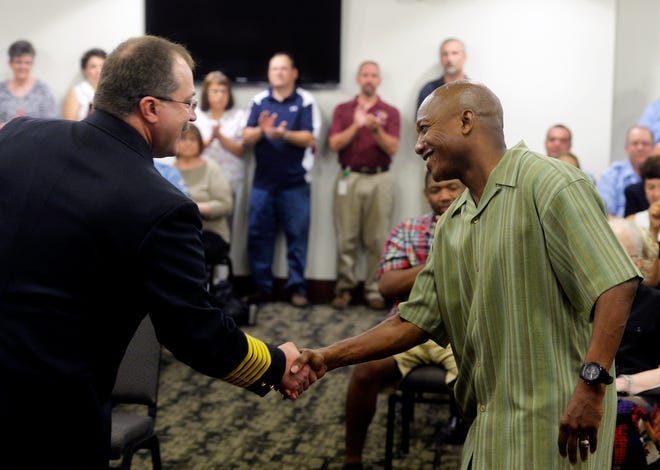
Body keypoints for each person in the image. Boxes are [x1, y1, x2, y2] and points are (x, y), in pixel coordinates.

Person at [292, 80, 641, 469]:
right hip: (490, 427)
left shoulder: (550, 183)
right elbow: (414, 320)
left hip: (559, 424)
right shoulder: (453, 222)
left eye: (425, 128)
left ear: (466, 121)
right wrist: (328, 357)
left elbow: (616, 283)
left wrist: (591, 387)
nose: (418, 144)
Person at [0, 35, 313, 468]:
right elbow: (195, 334)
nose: (191, 116)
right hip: (51, 419)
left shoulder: (16, 136)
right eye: (187, 104)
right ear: (150, 108)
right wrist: (276, 365)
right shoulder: (162, 205)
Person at [343, 173, 465, 468]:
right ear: (425, 194)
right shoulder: (408, 230)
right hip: (408, 327)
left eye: (452, 187)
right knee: (364, 371)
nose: (444, 195)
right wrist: (438, 259)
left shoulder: (481, 226)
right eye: (436, 190)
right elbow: (387, 287)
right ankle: (352, 460)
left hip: (460, 332)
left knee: (485, 384)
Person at [242, 52, 321, 308]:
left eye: (283, 68)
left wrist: (284, 134)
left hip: (295, 184)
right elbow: (246, 136)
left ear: (293, 73)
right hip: (262, 184)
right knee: (258, 237)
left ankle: (297, 288)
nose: (278, 73)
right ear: (268, 73)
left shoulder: (306, 100)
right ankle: (262, 289)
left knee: (297, 238)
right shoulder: (259, 100)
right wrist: (261, 130)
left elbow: (309, 138)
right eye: (274, 68)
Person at [329, 61, 401, 310]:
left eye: (373, 75)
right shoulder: (343, 110)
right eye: (365, 75)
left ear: (378, 80)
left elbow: (393, 147)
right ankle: (344, 289)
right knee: (346, 237)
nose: (369, 79)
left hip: (380, 178)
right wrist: (356, 126)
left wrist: (375, 130)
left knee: (376, 238)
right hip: (349, 177)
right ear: (358, 79)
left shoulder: (389, 112)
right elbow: (334, 144)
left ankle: (374, 290)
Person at [607, 219, 660, 470]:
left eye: (614, 253)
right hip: (590, 393)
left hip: (638, 397)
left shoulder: (655, 304)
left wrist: (624, 384)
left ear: (637, 262)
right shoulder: (580, 306)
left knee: (623, 413)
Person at [174, 123, 233, 287]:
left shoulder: (211, 168)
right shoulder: (167, 170)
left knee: (186, 251)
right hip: (176, 231)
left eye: (193, 139)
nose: (187, 143)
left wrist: (198, 208)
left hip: (208, 231)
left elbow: (225, 205)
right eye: (183, 138)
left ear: (200, 143)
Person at [195, 71, 247, 196]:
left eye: (224, 91)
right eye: (215, 91)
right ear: (206, 94)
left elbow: (241, 151)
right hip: (201, 180)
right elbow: (187, 150)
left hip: (230, 181)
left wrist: (220, 137)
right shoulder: (197, 116)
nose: (220, 95)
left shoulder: (239, 116)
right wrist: (211, 138)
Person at [597, 126, 654, 217]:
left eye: (645, 143)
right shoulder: (610, 175)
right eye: (635, 143)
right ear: (626, 147)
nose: (640, 148)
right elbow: (605, 214)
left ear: (653, 148)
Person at [0, 39, 57, 128]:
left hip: (36, 140)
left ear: (32, 64)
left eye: (27, 63)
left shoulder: (42, 90)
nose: (23, 67)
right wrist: (8, 126)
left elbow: (52, 123)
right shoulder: (1, 90)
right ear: (10, 63)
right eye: (18, 62)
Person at [416, 37, 467, 111]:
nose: (449, 59)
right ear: (440, 58)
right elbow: (420, 121)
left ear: (464, 57)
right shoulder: (429, 91)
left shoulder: (476, 91)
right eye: (445, 54)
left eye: (454, 53)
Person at [62, 48, 107, 120]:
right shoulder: (76, 92)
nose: (99, 71)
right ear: (84, 70)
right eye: (93, 66)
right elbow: (69, 124)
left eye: (102, 66)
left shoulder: (113, 90)